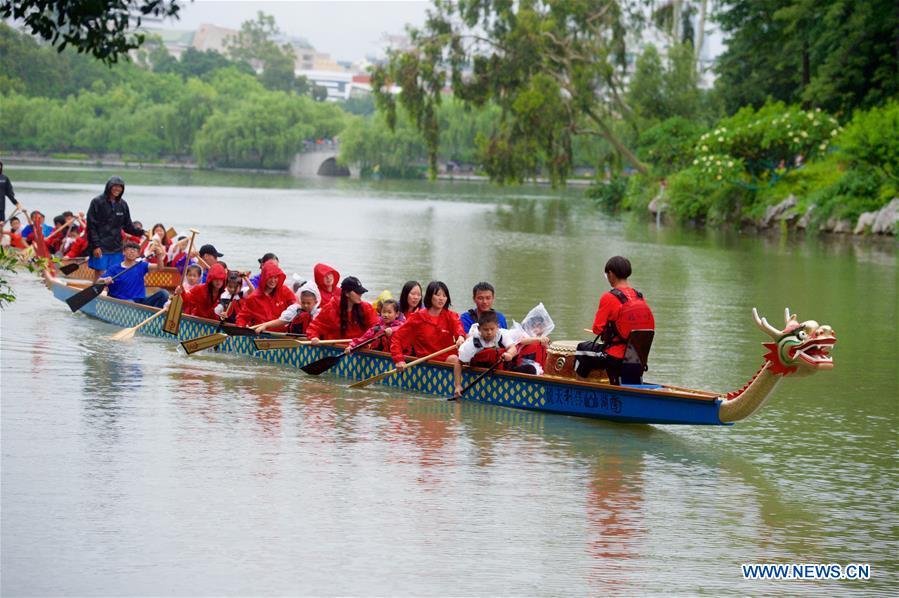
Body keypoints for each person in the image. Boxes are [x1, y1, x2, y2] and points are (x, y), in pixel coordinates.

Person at [586, 256, 655, 385]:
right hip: (637, 358)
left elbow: (597, 329)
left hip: (615, 357)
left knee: (582, 351)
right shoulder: (639, 296)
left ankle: (581, 388)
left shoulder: (608, 297)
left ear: (611, 274)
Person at [389, 281, 465, 392]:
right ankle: (457, 386)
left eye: (444, 296)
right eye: (438, 295)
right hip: (428, 360)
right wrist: (398, 360)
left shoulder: (450, 315)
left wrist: (461, 337)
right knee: (454, 359)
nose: (441, 299)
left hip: (449, 357)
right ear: (430, 296)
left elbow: (458, 327)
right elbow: (397, 338)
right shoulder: (418, 317)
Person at [86, 176, 144, 278]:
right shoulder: (97, 202)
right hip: (100, 245)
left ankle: (111, 293)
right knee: (100, 273)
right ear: (109, 186)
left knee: (115, 273)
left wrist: (142, 232)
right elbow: (91, 226)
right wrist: (95, 246)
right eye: (115, 186)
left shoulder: (123, 204)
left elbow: (128, 226)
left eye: (120, 187)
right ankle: (96, 293)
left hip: (116, 246)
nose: (117, 189)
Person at [97, 241, 168, 307]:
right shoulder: (114, 268)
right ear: (123, 252)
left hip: (140, 301)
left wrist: (159, 256)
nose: (132, 251)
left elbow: (160, 268)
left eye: (135, 250)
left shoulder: (142, 265)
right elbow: (98, 281)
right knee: (131, 303)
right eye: (129, 249)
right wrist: (105, 280)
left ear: (138, 254)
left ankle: (152, 315)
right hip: (122, 302)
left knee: (164, 294)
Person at [307, 276, 379, 343]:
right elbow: (315, 327)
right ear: (347, 293)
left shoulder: (367, 308)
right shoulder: (330, 309)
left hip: (360, 348)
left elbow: (376, 326)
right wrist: (314, 338)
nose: (360, 295)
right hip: (336, 348)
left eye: (361, 292)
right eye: (357, 292)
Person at [235, 261, 297, 329]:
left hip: (283, 335)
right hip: (261, 335)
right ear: (264, 277)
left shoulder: (285, 291)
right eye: (270, 277)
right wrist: (241, 329)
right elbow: (242, 318)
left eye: (275, 277)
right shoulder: (254, 297)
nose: (273, 281)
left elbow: (296, 307)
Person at [252, 281, 320, 335]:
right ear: (300, 300)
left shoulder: (318, 313)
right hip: (294, 339)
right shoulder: (295, 310)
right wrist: (265, 326)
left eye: (308, 303)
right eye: (303, 302)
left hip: (312, 340)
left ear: (315, 302)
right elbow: (281, 321)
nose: (305, 305)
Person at [0, 161, 20, 228]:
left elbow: (9, 193)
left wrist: (16, 203)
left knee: (1, 224)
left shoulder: (4, 178)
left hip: (1, 207)